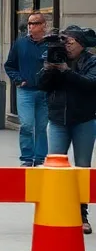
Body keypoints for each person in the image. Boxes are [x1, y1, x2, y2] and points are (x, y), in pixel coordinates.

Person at [38, 25, 96, 234]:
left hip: (84, 121)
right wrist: (48, 69)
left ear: (81, 44)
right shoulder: (54, 57)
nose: (67, 47)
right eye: (65, 42)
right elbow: (41, 85)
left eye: (71, 42)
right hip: (57, 121)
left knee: (82, 169)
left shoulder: (91, 61)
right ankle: (56, 210)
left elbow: (90, 84)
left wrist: (66, 71)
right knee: (55, 167)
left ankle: (82, 214)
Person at [4, 12, 50, 167]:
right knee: (26, 125)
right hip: (26, 91)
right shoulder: (20, 43)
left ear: (43, 25)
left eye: (35, 23)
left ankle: (40, 158)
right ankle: (27, 158)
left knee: (42, 127)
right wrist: (19, 79)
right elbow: (9, 65)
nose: (31, 27)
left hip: (45, 91)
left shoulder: (50, 44)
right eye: (29, 23)